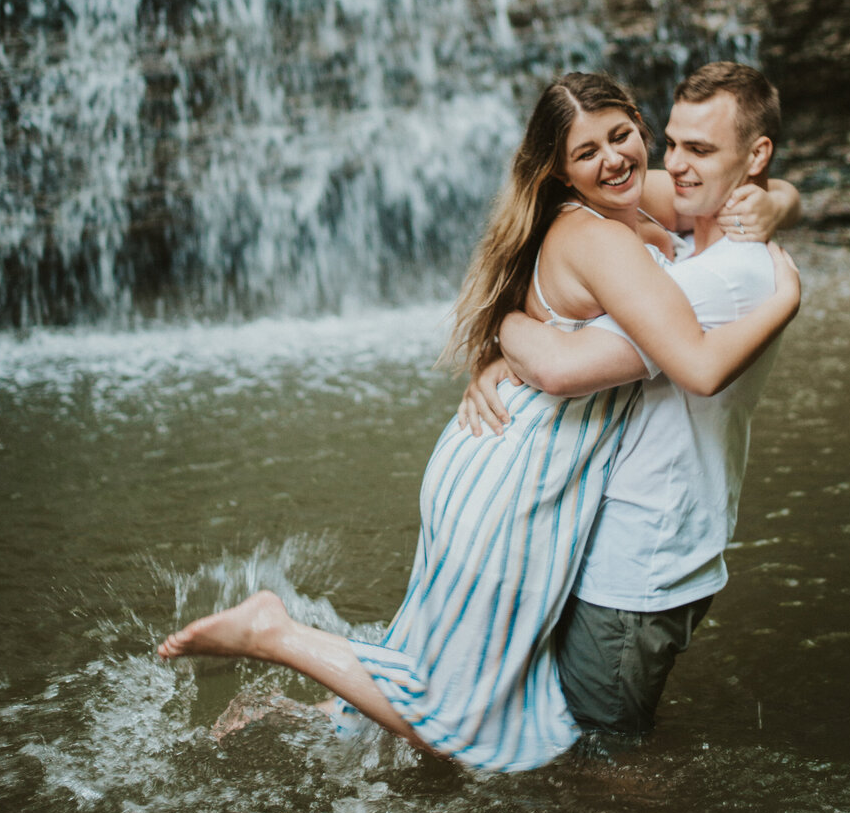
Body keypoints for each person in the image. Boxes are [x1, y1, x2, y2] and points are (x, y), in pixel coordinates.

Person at [158, 71, 801, 772]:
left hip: (505, 459)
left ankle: (294, 715)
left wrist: (778, 201)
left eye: (624, 136)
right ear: (559, 168)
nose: (620, 159)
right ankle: (272, 633)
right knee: (462, 713)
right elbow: (671, 366)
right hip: (520, 480)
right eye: (587, 152)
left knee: (454, 664)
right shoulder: (604, 237)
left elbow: (722, 197)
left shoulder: (631, 197)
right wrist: (785, 297)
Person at [462, 62, 793, 744]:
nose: (669, 168)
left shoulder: (707, 272)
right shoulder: (628, 219)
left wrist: (504, 329)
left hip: (627, 552)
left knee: (590, 754)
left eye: (623, 138)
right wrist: (785, 207)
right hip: (591, 521)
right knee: (502, 709)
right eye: (673, 145)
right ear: (561, 168)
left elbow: (561, 366)